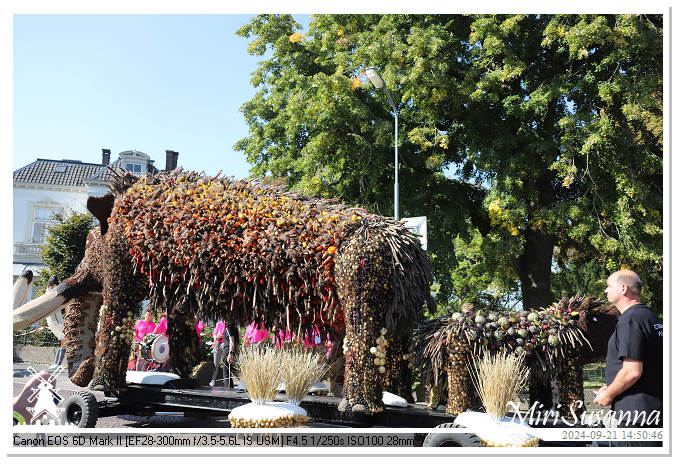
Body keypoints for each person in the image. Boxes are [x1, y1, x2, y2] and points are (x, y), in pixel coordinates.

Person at [594, 269, 663, 446]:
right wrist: (611, 384)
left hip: (638, 418)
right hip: (653, 412)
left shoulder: (630, 320)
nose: (605, 291)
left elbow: (632, 371)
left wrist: (608, 394)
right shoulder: (649, 317)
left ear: (623, 288)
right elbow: (650, 365)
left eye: (609, 286)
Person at [209, 320, 240, 387]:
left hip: (228, 351)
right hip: (227, 349)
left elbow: (232, 341)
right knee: (227, 373)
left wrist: (230, 353)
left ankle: (229, 391)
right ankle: (229, 389)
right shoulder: (233, 327)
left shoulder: (229, 327)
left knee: (226, 374)